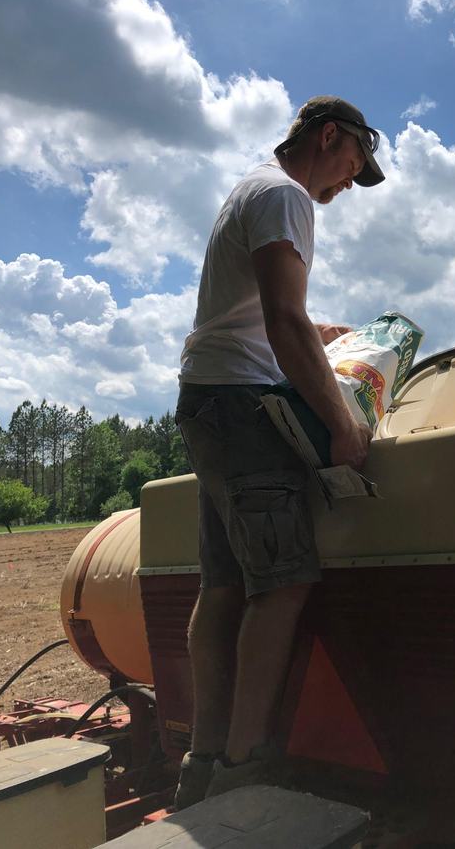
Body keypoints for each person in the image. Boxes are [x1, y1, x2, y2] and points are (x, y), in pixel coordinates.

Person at [173, 96, 386, 810]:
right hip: (243, 410)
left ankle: (202, 761)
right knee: (284, 582)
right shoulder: (287, 195)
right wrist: (344, 424)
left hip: (210, 403)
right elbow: (283, 319)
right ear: (329, 137)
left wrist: (316, 331)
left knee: (225, 586)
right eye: (352, 167)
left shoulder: (252, 189)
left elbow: (272, 314)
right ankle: (243, 767)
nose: (346, 186)